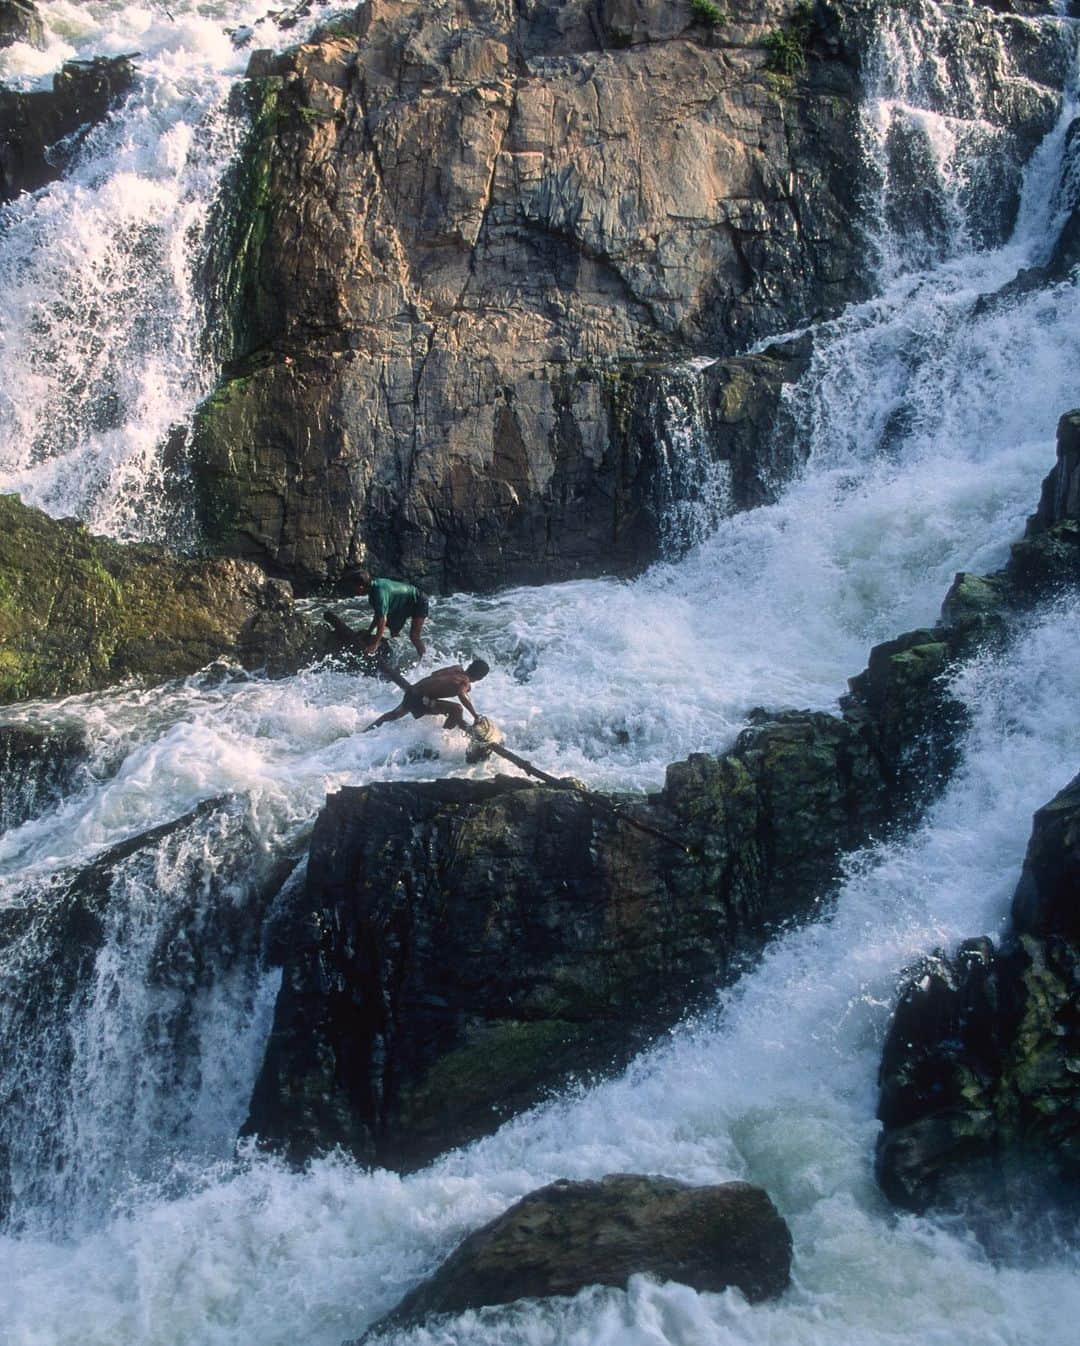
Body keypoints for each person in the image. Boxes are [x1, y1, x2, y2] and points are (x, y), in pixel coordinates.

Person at [363, 659, 490, 734]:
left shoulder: (456, 669)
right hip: (420, 700)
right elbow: (462, 696)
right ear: (480, 677)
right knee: (457, 709)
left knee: (394, 714)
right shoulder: (465, 682)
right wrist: (475, 715)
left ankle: (366, 731)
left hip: (413, 691)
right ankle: (443, 737)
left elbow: (435, 673)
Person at [342, 567, 428, 658]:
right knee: (394, 632)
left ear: (361, 587)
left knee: (414, 636)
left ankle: (426, 660)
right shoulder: (373, 589)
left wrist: (375, 644)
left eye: (353, 587)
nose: (353, 590)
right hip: (402, 605)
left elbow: (382, 620)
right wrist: (369, 631)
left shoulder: (379, 592)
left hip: (418, 600)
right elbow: (378, 615)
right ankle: (398, 658)